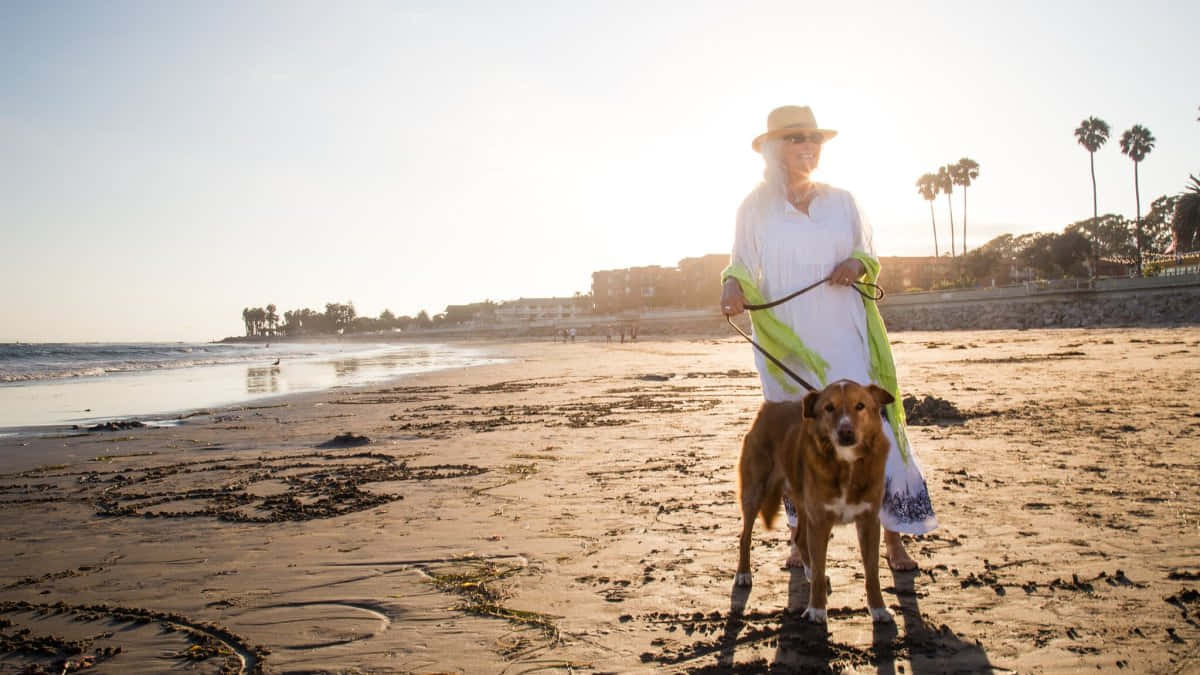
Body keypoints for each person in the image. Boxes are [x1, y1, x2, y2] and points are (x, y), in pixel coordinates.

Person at [720, 105, 937, 571]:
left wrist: (857, 265)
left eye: (814, 137)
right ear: (776, 147)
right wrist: (731, 288)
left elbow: (867, 253)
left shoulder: (842, 201)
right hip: (786, 342)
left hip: (843, 330)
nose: (808, 146)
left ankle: (893, 541)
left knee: (868, 432)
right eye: (797, 138)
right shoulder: (754, 208)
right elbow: (738, 262)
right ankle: (801, 540)